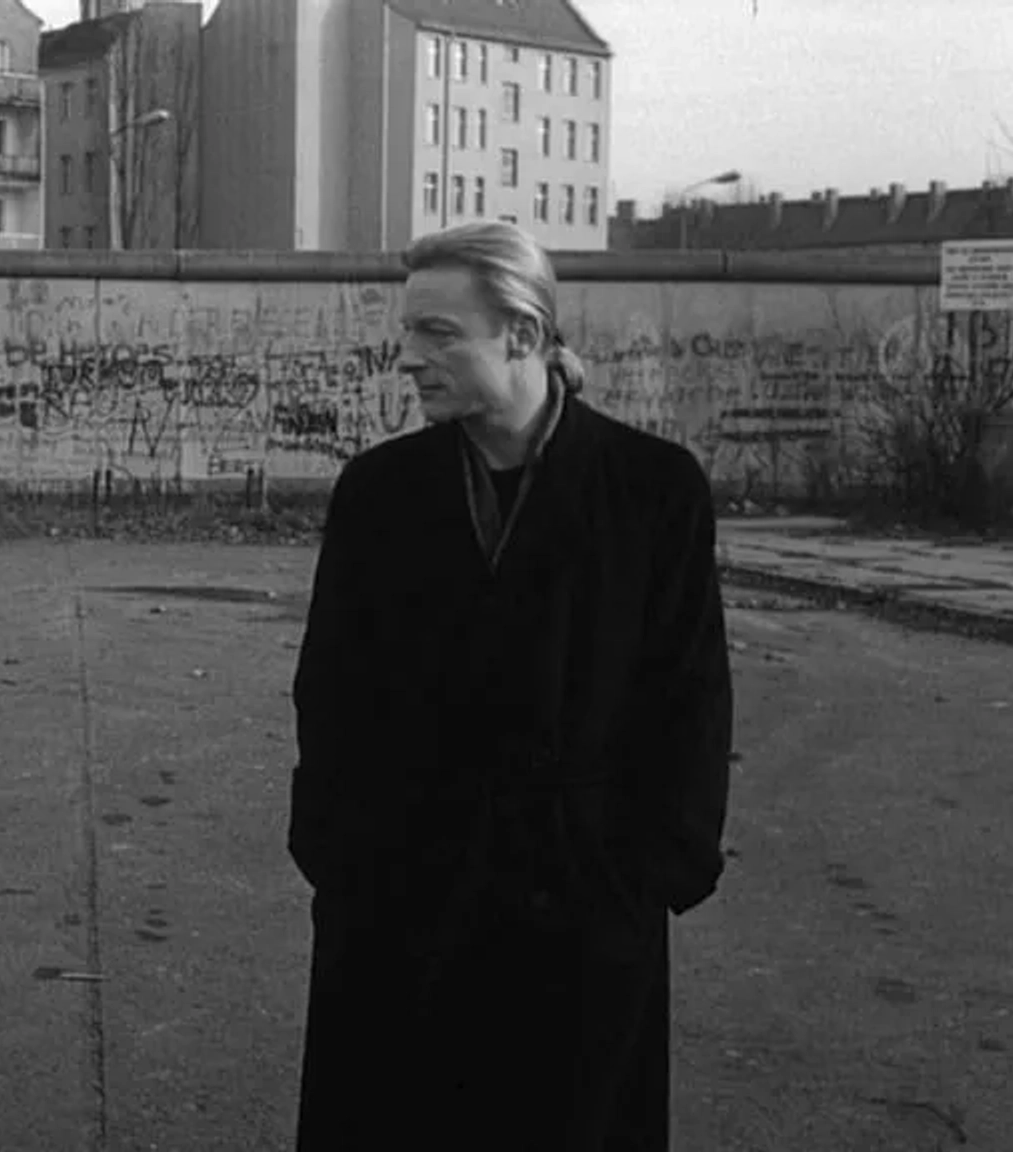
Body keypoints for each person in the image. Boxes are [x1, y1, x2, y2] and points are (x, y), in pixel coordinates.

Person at [287, 221, 734, 1151]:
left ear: (524, 335)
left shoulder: (652, 491)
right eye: (410, 332)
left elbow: (689, 701)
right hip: (401, 910)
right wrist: (340, 860)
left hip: (580, 915)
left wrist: (647, 875)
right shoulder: (380, 493)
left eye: (439, 334)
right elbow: (329, 695)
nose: (409, 358)